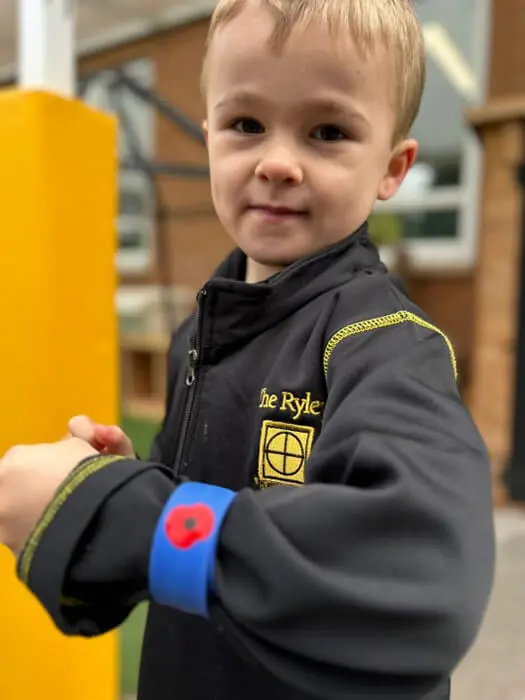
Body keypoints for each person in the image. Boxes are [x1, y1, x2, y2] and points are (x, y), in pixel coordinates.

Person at [0, 1, 495, 699]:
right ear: (209, 139)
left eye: (326, 131)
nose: (277, 162)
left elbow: (422, 579)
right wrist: (116, 501)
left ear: (391, 167)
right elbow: (188, 560)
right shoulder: (197, 336)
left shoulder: (384, 345)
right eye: (245, 125)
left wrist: (124, 516)